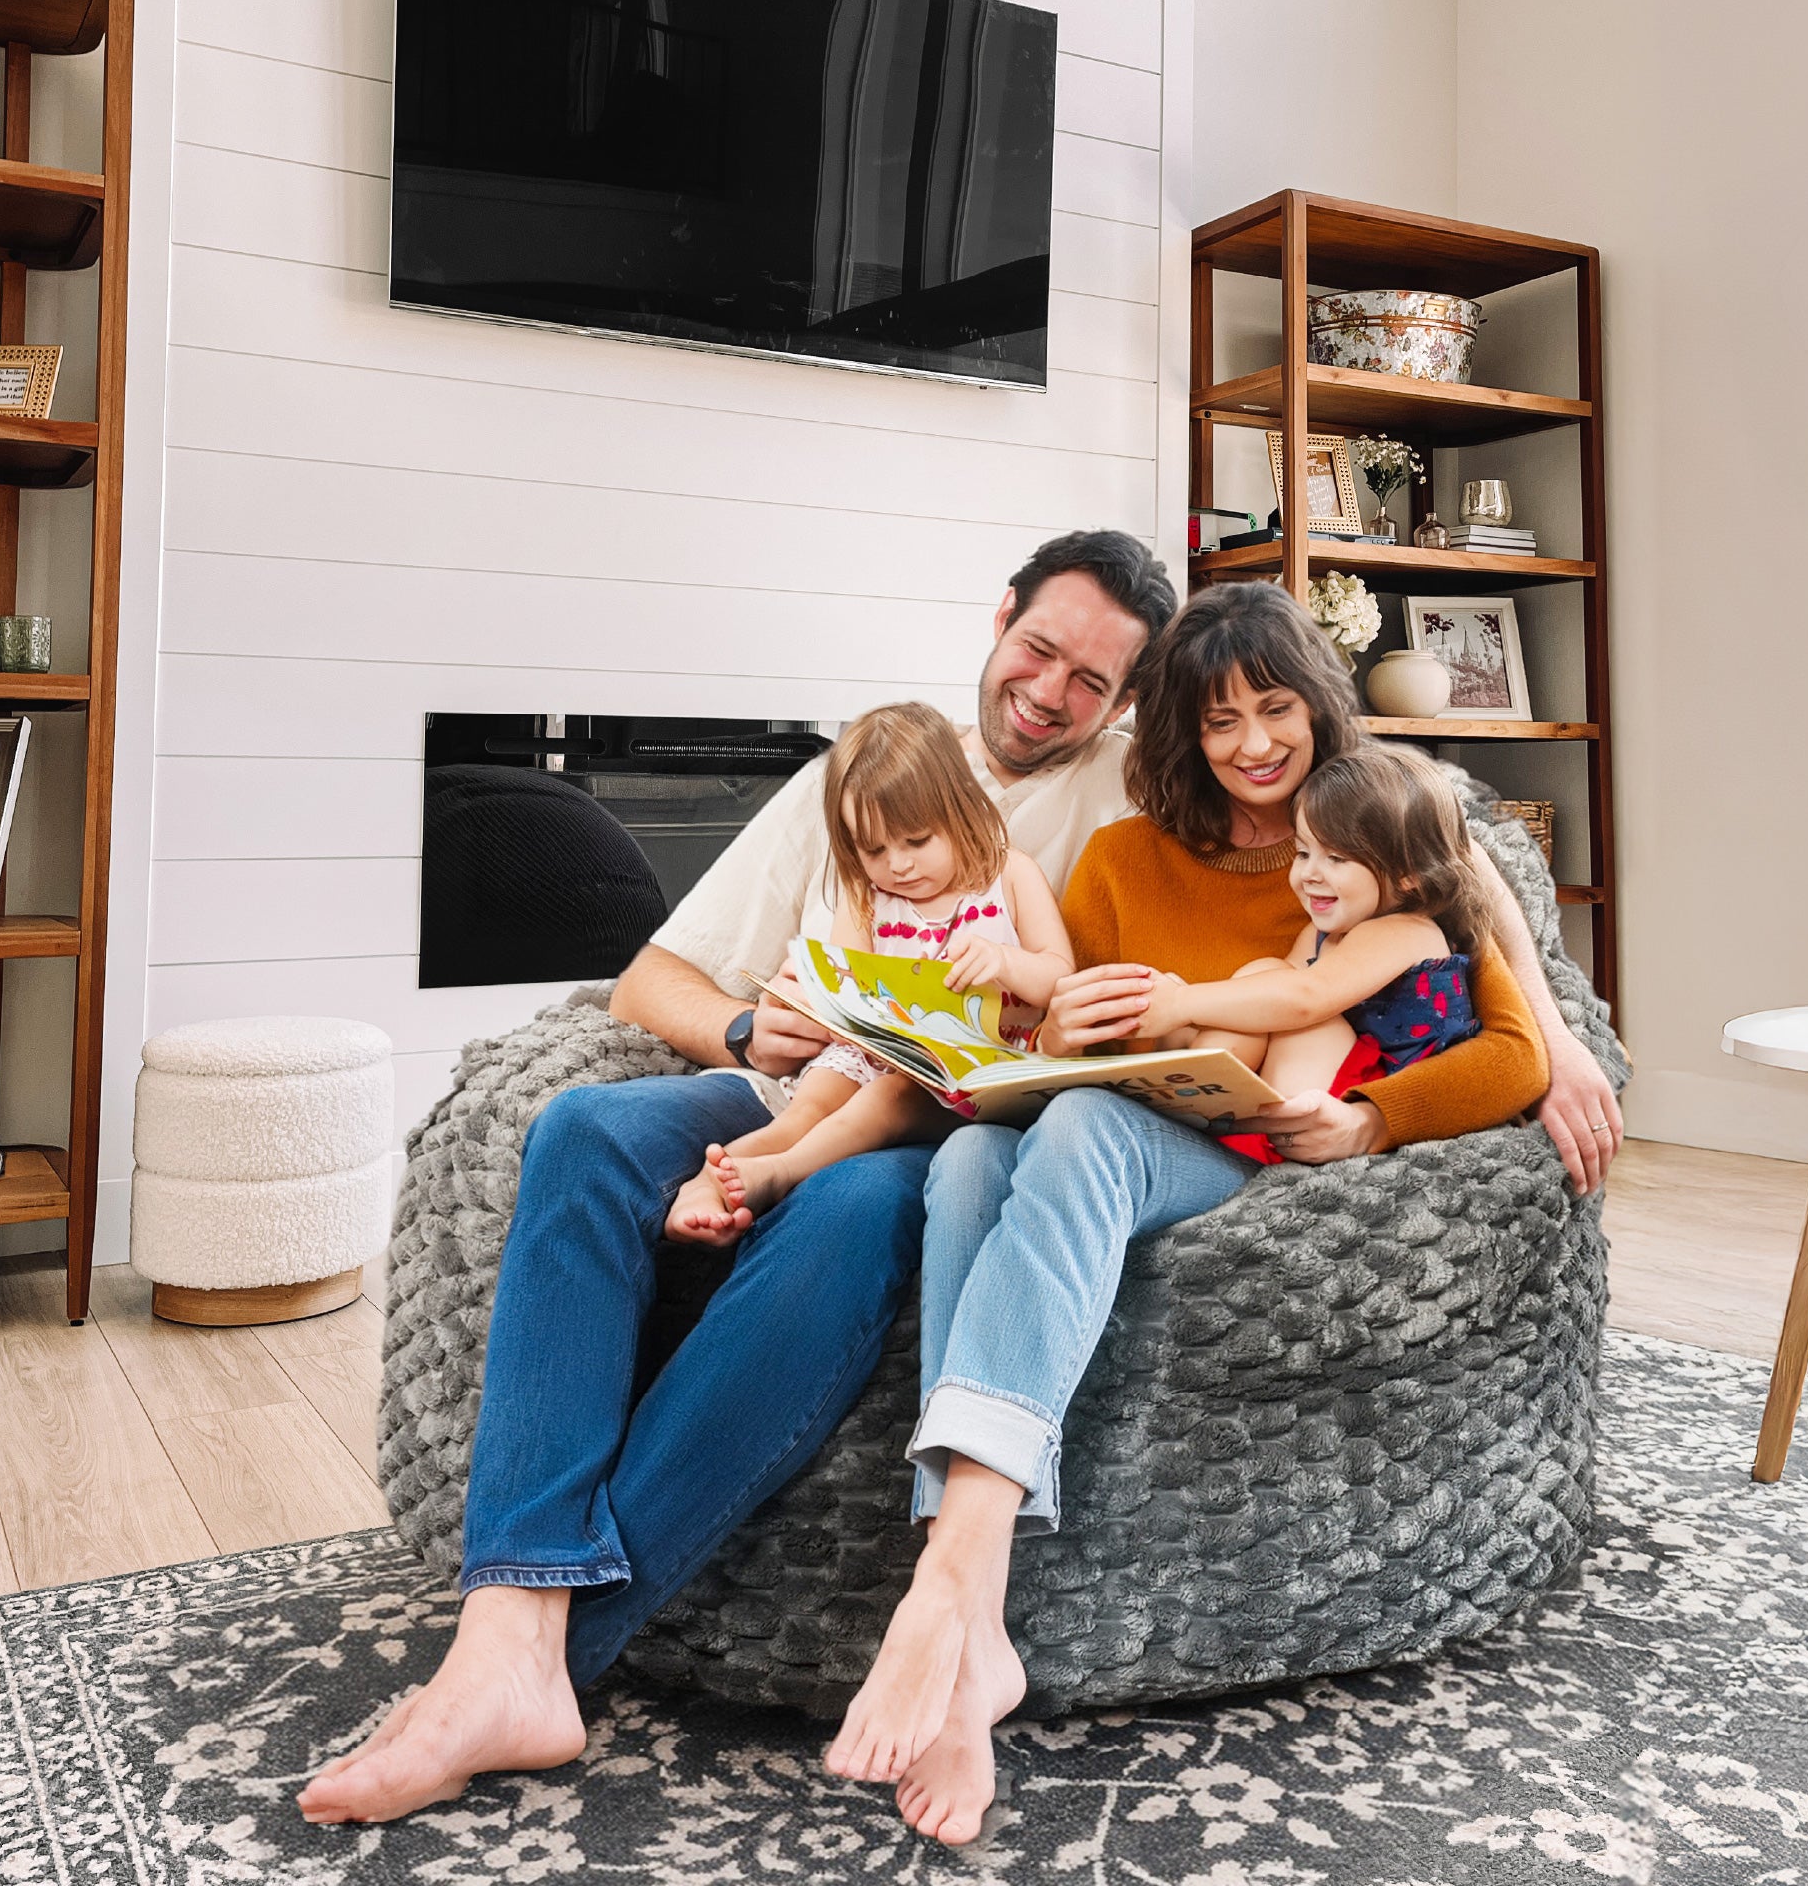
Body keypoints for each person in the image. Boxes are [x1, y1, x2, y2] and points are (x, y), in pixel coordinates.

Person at [296, 530, 1178, 1825]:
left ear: (1127, 701)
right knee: (583, 1131)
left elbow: (1383, 827)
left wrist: (1538, 1032)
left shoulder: (1124, 801)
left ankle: (537, 1665)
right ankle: (512, 1623)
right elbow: (651, 978)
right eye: (1039, 650)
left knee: (852, 1212)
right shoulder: (861, 772)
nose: (1050, 693)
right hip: (790, 1080)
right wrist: (745, 1033)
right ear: (999, 618)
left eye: (1091, 682)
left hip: (935, 1131)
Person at [821, 583, 1561, 1846]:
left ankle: (943, 1576)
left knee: (1083, 1130)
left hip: (1230, 1144)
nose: (1254, 743)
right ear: (1180, 730)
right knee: (963, 1169)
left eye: (1276, 708)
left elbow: (1510, 1052)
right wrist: (1070, 1018)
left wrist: (1371, 1118)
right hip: (1104, 1116)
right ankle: (975, 1634)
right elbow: (1047, 1026)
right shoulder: (1117, 856)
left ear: (1318, 708)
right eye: (1221, 721)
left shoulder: (1364, 850)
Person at [667, 702, 1074, 1239]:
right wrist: (816, 991)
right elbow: (848, 992)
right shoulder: (868, 895)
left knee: (885, 1100)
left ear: (962, 809)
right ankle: (708, 1182)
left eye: (917, 841)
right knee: (809, 1104)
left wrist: (1005, 962)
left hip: (972, 1076)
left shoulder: (1009, 875)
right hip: (884, 1055)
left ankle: (779, 1175)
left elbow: (1061, 979)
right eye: (874, 849)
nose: (898, 864)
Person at [1139, 743, 1493, 1152]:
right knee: (1265, 976)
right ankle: (1192, 1083)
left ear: (1408, 873)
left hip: (1375, 1107)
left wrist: (1183, 1002)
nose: (1309, 874)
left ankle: (1216, 1109)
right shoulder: (1321, 934)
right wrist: (1180, 1020)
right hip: (1332, 1083)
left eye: (1337, 858)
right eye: (1303, 853)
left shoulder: (1407, 930)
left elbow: (1305, 1000)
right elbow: (1270, 999)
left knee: (1300, 1016)